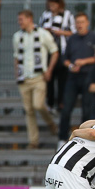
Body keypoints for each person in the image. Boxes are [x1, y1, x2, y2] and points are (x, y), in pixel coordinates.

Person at [13, 11, 59, 149]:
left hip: (39, 76)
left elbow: (54, 51)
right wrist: (17, 73)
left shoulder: (43, 34)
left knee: (38, 105)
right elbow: (16, 56)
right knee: (29, 110)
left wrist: (49, 70)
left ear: (29, 19)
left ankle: (50, 122)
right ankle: (33, 140)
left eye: (21, 19)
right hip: (24, 78)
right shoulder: (17, 36)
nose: (19, 22)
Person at [59, 13, 95, 142]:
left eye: (82, 22)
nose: (79, 25)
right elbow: (65, 59)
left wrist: (83, 62)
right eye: (77, 22)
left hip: (88, 76)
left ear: (87, 23)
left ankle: (83, 138)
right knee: (66, 109)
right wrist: (71, 66)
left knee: (87, 110)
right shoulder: (72, 39)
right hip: (73, 77)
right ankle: (62, 138)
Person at [39, 0, 74, 114]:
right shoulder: (45, 15)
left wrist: (60, 32)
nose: (52, 7)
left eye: (54, 5)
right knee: (49, 77)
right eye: (50, 5)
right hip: (48, 51)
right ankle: (50, 103)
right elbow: (39, 30)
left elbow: (72, 32)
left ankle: (61, 103)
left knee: (62, 78)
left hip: (62, 50)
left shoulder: (67, 15)